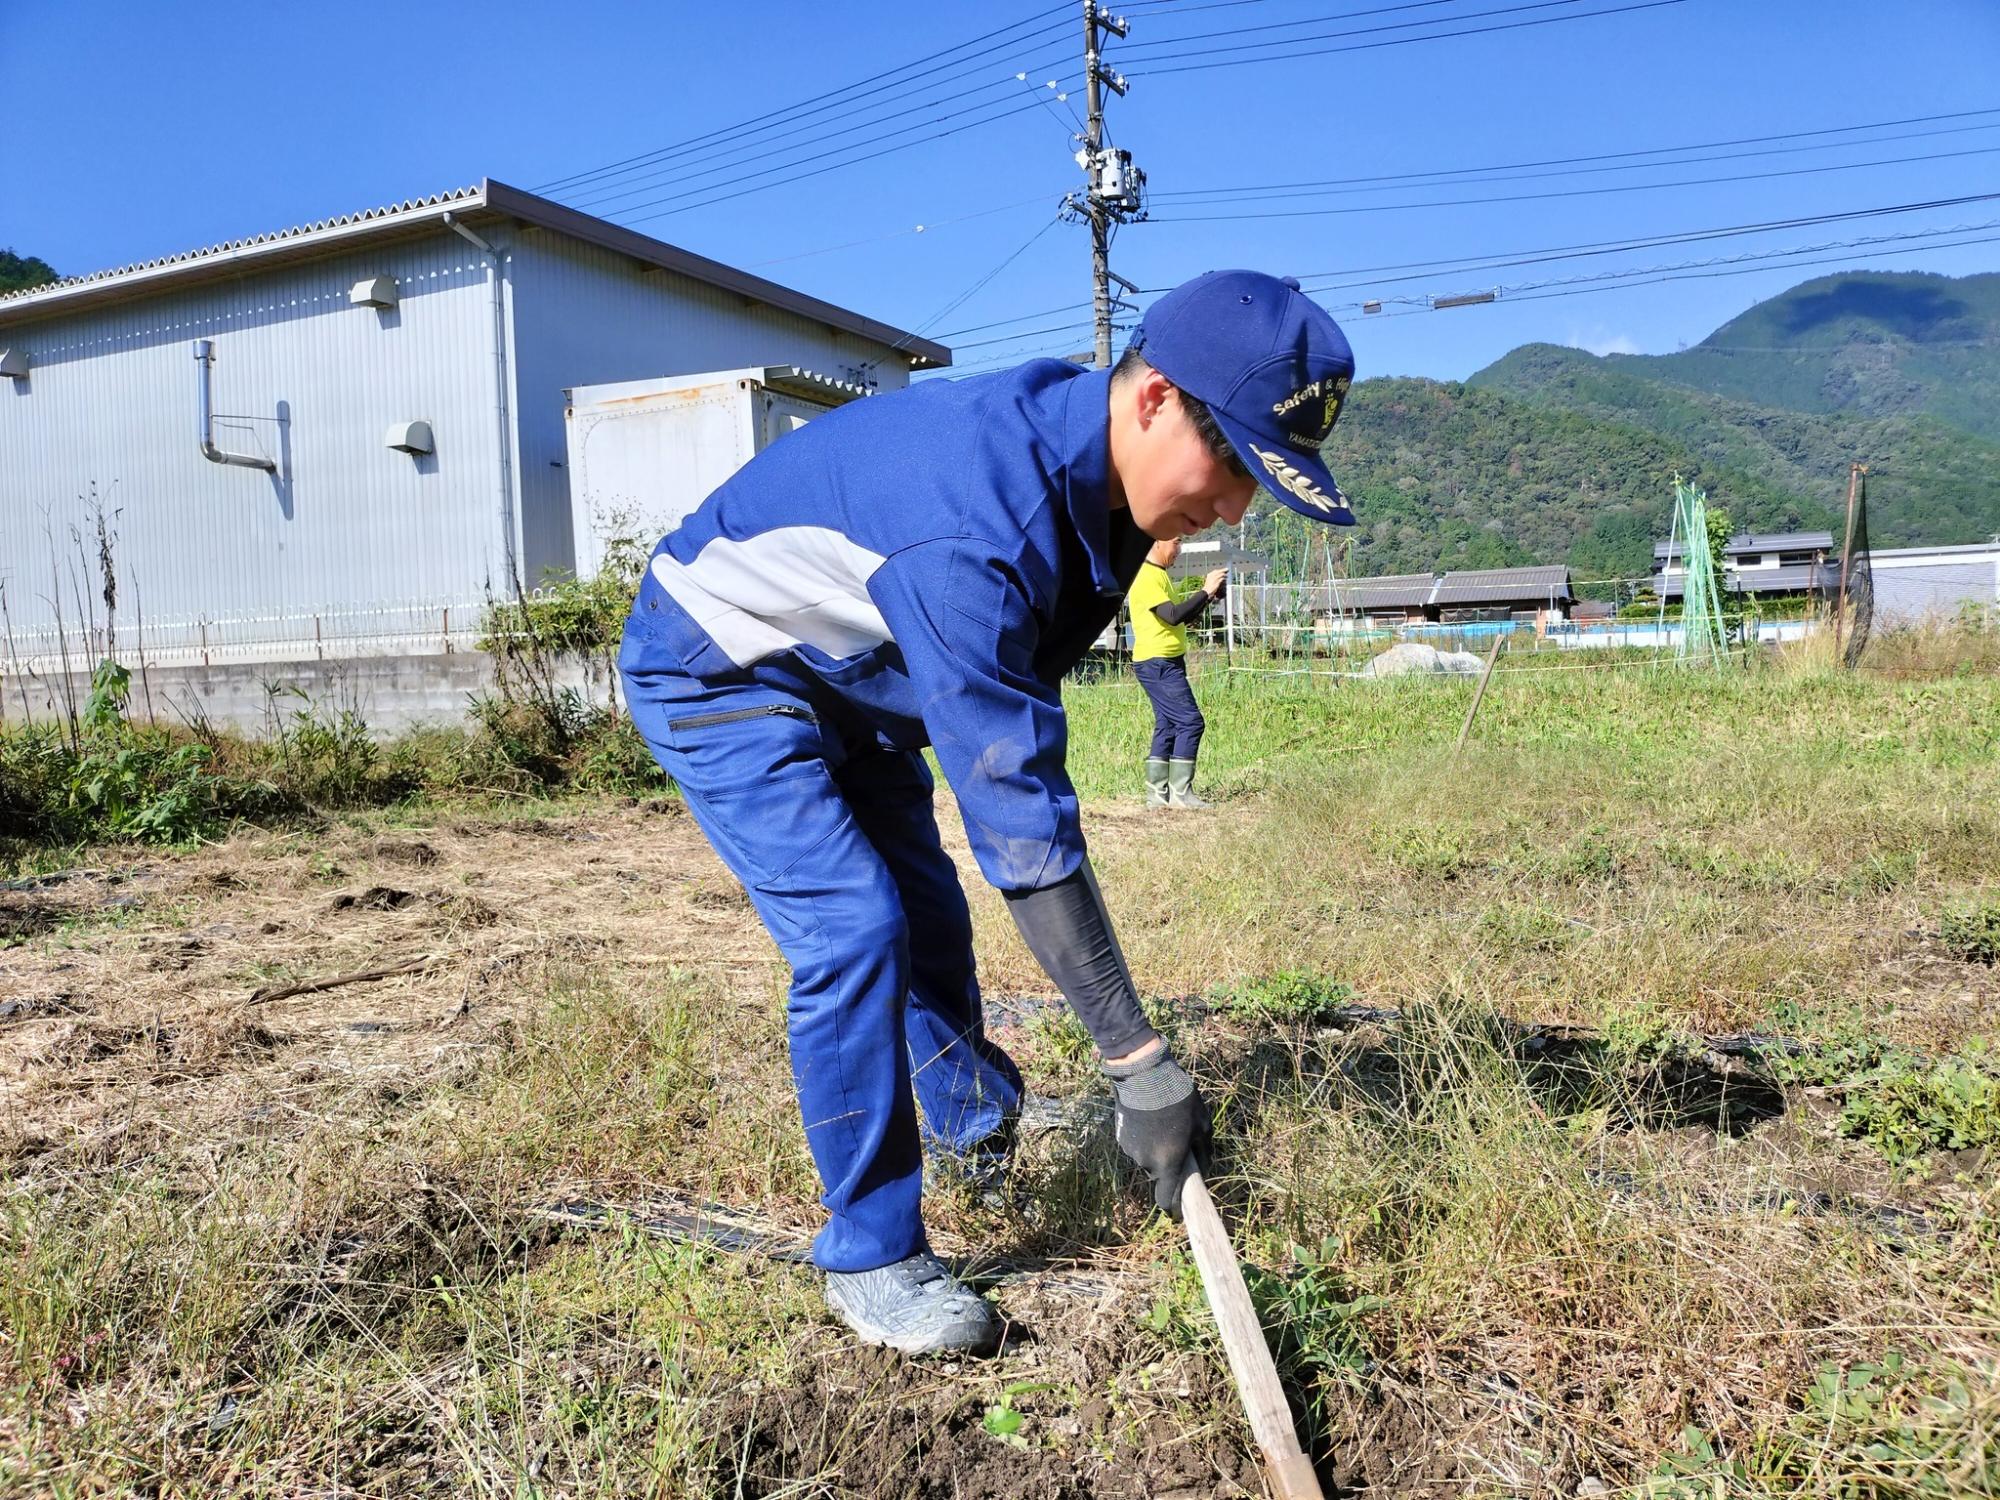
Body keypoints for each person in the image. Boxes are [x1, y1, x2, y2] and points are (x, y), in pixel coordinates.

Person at [618, 270, 1356, 1357]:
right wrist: (1135, 1061)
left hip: (855, 675)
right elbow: (1017, 817)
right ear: (1152, 398)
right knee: (852, 930)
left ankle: (971, 1127)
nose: (1233, 507)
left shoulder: (1090, 480)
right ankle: (869, 1253)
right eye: (1232, 462)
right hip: (721, 664)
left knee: (927, 914)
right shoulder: (973, 521)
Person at [1126, 537, 1229, 808]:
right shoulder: (1146, 576)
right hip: (1157, 663)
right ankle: (1181, 794)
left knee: (1168, 724)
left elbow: (1180, 616)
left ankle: (1157, 796)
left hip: (1165, 661)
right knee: (1190, 722)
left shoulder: (1158, 575)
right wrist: (1204, 591)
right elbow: (1172, 615)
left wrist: (1209, 597)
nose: (1179, 549)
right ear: (1158, 542)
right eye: (1176, 542)